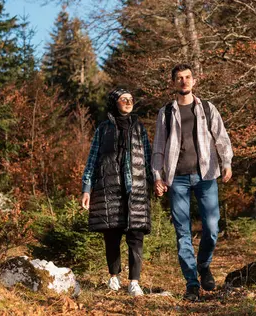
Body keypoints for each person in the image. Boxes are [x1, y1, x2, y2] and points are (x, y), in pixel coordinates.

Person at [152, 64, 233, 301]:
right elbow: (158, 148)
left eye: (187, 77)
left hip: (206, 175)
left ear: (194, 81)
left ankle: (204, 265)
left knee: (212, 227)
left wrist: (226, 162)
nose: (184, 81)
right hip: (176, 179)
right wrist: (157, 176)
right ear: (173, 83)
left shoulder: (207, 108)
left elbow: (221, 137)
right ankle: (191, 284)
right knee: (182, 232)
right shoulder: (166, 112)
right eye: (179, 78)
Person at [81, 88, 152, 297]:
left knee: (136, 234)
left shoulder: (140, 128)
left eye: (131, 99)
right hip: (108, 188)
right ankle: (113, 277)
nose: (128, 102)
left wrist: (155, 181)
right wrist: (86, 189)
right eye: (124, 99)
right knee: (111, 234)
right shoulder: (103, 129)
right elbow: (92, 160)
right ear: (115, 102)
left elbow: (148, 158)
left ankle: (134, 282)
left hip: (136, 187)